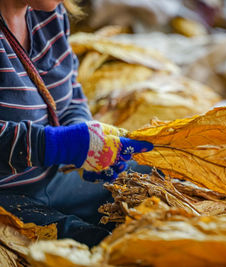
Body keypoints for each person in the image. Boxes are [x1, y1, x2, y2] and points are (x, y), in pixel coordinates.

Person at [0, 0, 153, 246]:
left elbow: (70, 93)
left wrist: (87, 136)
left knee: (160, 176)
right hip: (6, 195)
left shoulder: (50, 14)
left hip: (55, 175)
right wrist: (60, 145)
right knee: (101, 246)